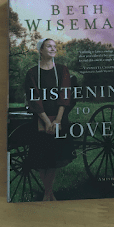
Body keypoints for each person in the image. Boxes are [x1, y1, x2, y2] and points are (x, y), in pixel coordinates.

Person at [25, 38, 75, 201]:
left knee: (53, 157)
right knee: (42, 157)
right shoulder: (32, 73)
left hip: (58, 118)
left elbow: (64, 94)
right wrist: (46, 121)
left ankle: (48, 193)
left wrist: (58, 120)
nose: (53, 49)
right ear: (40, 50)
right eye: (49, 46)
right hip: (40, 119)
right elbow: (34, 98)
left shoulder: (62, 70)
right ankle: (49, 193)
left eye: (55, 46)